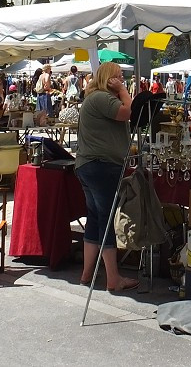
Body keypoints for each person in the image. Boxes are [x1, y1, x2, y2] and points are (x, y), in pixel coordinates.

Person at [74, 62, 139, 292]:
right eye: (118, 76)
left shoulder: (94, 98)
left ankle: (86, 274)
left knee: (94, 219)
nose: (121, 79)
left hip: (90, 165)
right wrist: (123, 91)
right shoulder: (103, 97)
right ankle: (113, 278)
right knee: (106, 219)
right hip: (100, 166)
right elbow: (128, 113)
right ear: (109, 79)